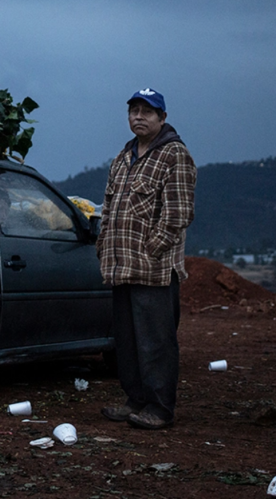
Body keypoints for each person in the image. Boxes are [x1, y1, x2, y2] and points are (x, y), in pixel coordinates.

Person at [96, 87, 196, 430]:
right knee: (127, 341)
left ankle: (159, 407)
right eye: (133, 111)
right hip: (120, 266)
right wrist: (103, 245)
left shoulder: (174, 156)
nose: (138, 116)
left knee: (156, 341)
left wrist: (152, 250)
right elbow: (109, 207)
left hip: (154, 270)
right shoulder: (124, 158)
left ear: (162, 118)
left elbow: (178, 215)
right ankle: (135, 399)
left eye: (147, 112)